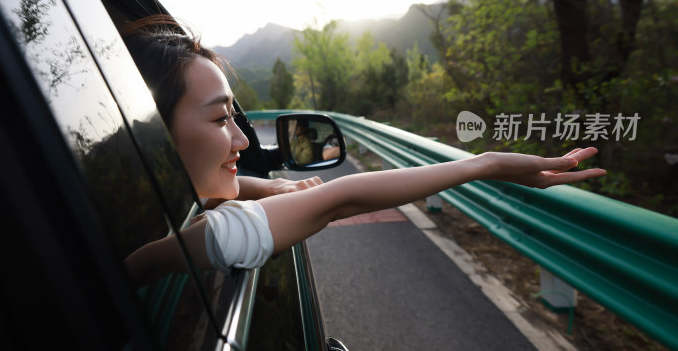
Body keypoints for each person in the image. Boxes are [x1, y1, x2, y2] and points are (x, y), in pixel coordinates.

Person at [121, 16, 606, 285]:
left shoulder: (141, 220)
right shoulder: (148, 255)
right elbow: (341, 199)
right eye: (218, 118)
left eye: (234, 116)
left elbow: (211, 190)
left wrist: (268, 184)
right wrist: (487, 163)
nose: (243, 140)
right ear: (152, 136)